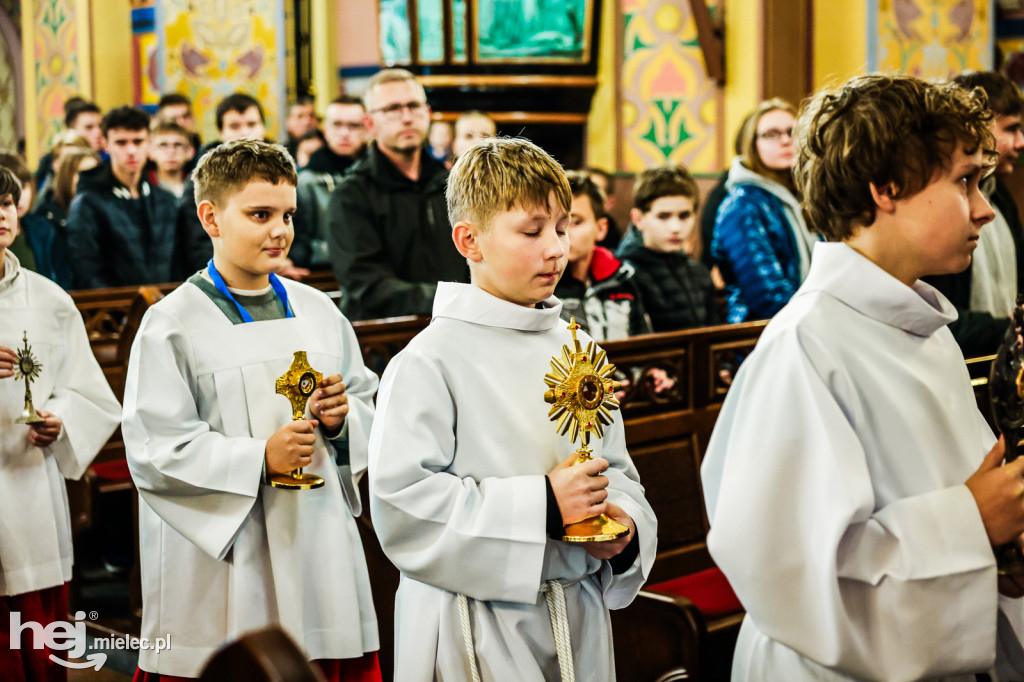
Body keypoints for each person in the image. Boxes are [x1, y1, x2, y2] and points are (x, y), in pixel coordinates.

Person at [701, 74, 1024, 681]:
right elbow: (788, 572)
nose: (983, 206)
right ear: (886, 189)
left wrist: (1001, 542)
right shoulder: (804, 349)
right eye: (963, 180)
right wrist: (972, 524)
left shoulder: (922, 331)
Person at [369, 137, 656, 680]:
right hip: (473, 626)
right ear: (469, 240)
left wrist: (625, 530)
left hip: (577, 612)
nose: (556, 249)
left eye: (562, 227)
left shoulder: (577, 348)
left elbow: (617, 471)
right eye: (531, 231)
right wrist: (544, 504)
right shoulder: (429, 361)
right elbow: (402, 508)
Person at [122, 139, 381, 680]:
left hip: (317, 539)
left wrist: (341, 422)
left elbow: (367, 402)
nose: (280, 230)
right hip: (229, 555)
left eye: (287, 214)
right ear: (210, 217)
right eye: (260, 215)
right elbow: (155, 448)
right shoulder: (173, 323)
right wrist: (258, 457)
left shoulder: (317, 309)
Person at [0, 166, 120, 681]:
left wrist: (61, 420)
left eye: (5, 203)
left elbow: (88, 392)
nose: (0, 214)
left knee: (34, 636)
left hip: (27, 487)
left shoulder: (50, 301)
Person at [327, 69, 466, 320]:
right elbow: (367, 288)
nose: (406, 118)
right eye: (392, 109)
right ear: (369, 123)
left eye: (414, 106)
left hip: (461, 326)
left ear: (428, 113)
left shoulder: (453, 184)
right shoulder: (351, 195)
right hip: (388, 338)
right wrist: (455, 300)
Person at [925, 70, 1024, 355]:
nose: (1020, 142)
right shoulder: (941, 210)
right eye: (1010, 129)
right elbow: (936, 317)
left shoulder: (1001, 196)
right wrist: (1007, 330)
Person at [712, 98, 815, 323]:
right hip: (759, 335)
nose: (786, 141)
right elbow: (767, 296)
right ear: (752, 144)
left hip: (807, 322)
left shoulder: (805, 195)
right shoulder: (741, 206)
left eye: (792, 131)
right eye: (772, 134)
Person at [66, 106, 181, 288]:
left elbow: (179, 264)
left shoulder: (165, 201)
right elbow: (87, 270)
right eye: (121, 142)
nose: (131, 151)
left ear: (149, 144)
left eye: (138, 141)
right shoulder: (87, 203)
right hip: (115, 309)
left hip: (166, 307)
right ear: (105, 144)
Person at [617, 165, 718, 332]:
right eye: (663, 216)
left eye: (684, 215)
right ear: (638, 219)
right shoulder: (625, 276)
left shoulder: (699, 273)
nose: (676, 227)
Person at [555, 170, 651, 341]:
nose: (564, 232)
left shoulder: (622, 279)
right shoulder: (540, 286)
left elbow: (644, 342)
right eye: (555, 223)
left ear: (601, 228)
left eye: (575, 222)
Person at [295, 95, 368, 269]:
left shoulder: (379, 176)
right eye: (337, 125)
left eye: (353, 126)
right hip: (325, 274)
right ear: (325, 130)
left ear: (367, 128)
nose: (344, 133)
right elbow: (300, 246)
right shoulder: (306, 182)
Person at [33, 147, 99, 289]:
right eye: (81, 173)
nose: (90, 179)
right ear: (66, 176)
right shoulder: (46, 217)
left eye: (94, 172)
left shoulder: (105, 214)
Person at [147, 118, 195, 198]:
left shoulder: (199, 186)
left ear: (190, 151)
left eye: (178, 144)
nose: (171, 151)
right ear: (151, 151)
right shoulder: (141, 188)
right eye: (163, 145)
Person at [284, 96, 320, 162]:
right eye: (300, 116)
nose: (307, 121)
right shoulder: (282, 155)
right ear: (288, 123)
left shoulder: (331, 149)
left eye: (311, 115)